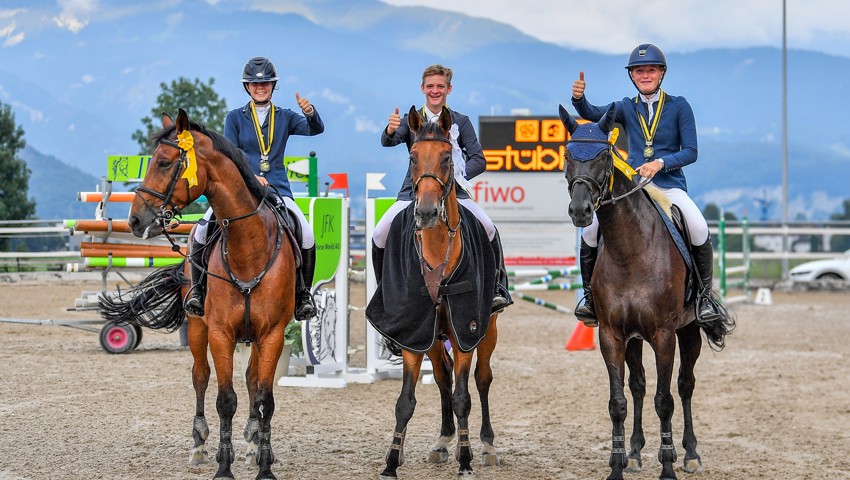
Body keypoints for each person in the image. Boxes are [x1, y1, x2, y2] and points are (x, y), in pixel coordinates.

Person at [570, 43, 724, 327]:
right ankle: (590, 299)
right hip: (634, 188)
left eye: (650, 70)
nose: (645, 75)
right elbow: (593, 113)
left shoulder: (679, 106)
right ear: (632, 76)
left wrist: (661, 163)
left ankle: (704, 298)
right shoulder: (626, 107)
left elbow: (691, 151)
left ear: (661, 73)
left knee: (699, 227)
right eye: (639, 71)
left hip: (669, 187)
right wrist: (579, 100)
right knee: (590, 231)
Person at [184, 56, 324, 321]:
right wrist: (250, 176)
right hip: (242, 189)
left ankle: (303, 295)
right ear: (247, 87)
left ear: (273, 86)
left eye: (266, 84)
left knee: (305, 233)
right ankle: (198, 291)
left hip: (278, 188)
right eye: (254, 84)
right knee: (202, 231)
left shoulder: (285, 117)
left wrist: (310, 112)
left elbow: (315, 129)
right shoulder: (235, 117)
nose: (261, 88)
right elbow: (232, 153)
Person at [375, 64, 511, 313]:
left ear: (449, 89)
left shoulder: (460, 121)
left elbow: (479, 159)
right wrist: (390, 129)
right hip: (414, 191)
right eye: (430, 86)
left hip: (453, 191)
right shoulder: (411, 120)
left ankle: (496, 290)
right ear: (422, 89)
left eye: (440, 86)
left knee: (489, 228)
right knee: (380, 234)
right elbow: (389, 141)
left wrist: (455, 177)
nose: (435, 91)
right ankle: (384, 292)